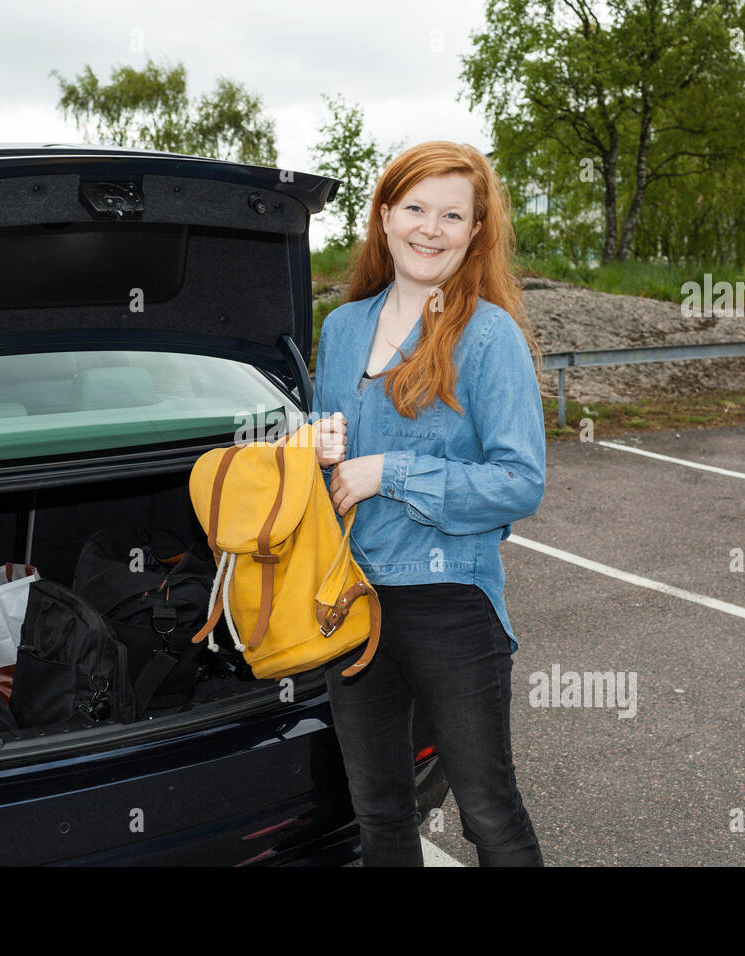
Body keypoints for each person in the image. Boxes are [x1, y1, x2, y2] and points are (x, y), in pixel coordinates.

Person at [310, 140, 547, 867]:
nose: (430, 228)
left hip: (450, 605)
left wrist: (392, 472)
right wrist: (313, 456)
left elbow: (519, 482)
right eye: (415, 208)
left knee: (487, 814)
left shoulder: (488, 335)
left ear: (475, 231)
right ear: (384, 217)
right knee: (379, 815)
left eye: (453, 214)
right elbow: (329, 486)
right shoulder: (342, 328)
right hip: (352, 604)